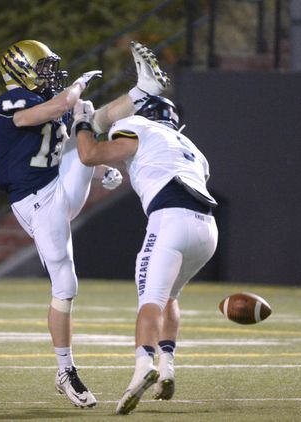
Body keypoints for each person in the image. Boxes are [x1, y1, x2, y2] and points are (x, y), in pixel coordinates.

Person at [0, 39, 169, 408]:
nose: (50, 75)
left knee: (89, 117)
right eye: (42, 69)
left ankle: (143, 90)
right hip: (35, 200)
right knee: (66, 286)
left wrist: (98, 167)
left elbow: (91, 124)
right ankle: (64, 370)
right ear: (20, 71)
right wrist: (75, 91)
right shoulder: (10, 102)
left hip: (56, 184)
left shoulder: (53, 101)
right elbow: (53, 109)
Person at [73, 95, 219, 414]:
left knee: (150, 299)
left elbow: (90, 155)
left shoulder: (138, 126)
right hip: (207, 231)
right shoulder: (192, 147)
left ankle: (143, 366)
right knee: (170, 296)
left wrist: (84, 124)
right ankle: (166, 365)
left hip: (171, 220)